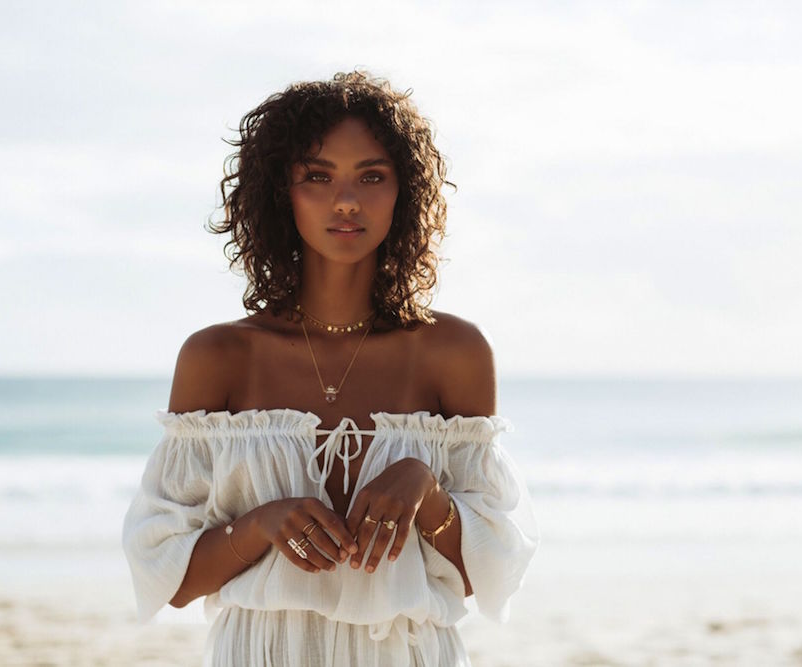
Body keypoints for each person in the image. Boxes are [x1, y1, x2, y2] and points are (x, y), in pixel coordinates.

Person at [122, 70, 538, 666]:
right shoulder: (217, 357)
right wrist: (261, 524)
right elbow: (171, 577)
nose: (347, 199)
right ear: (279, 193)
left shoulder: (456, 352)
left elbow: (483, 574)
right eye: (318, 176)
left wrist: (427, 490)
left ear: (405, 192)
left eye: (372, 176)